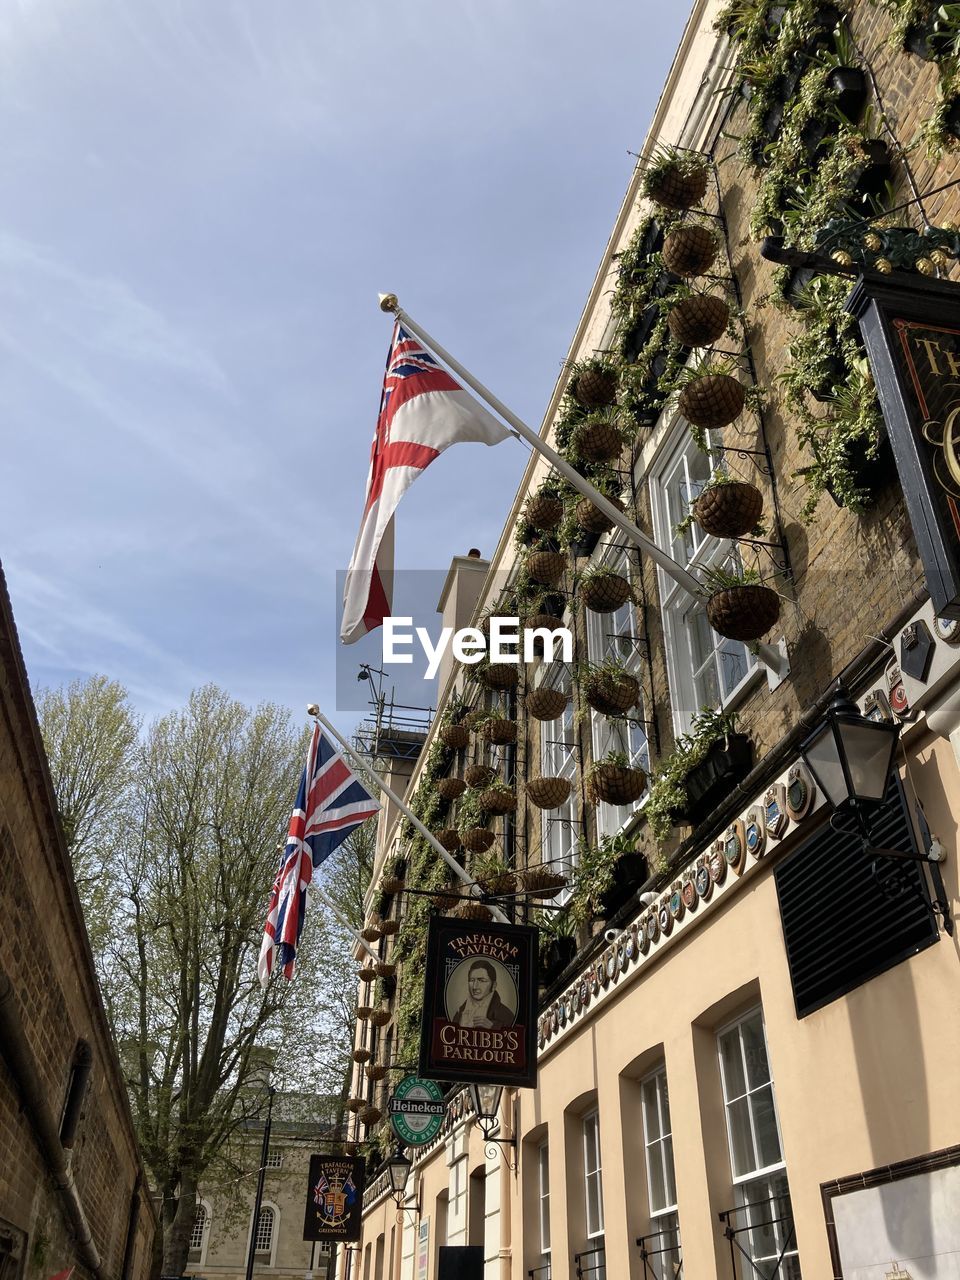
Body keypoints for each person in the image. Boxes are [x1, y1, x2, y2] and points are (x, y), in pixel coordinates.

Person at [453, 960, 514, 1028]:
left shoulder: (506, 1014)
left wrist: (493, 1027)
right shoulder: (460, 1012)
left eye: (482, 981)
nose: (475, 986)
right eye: (472, 980)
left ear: (493, 985)